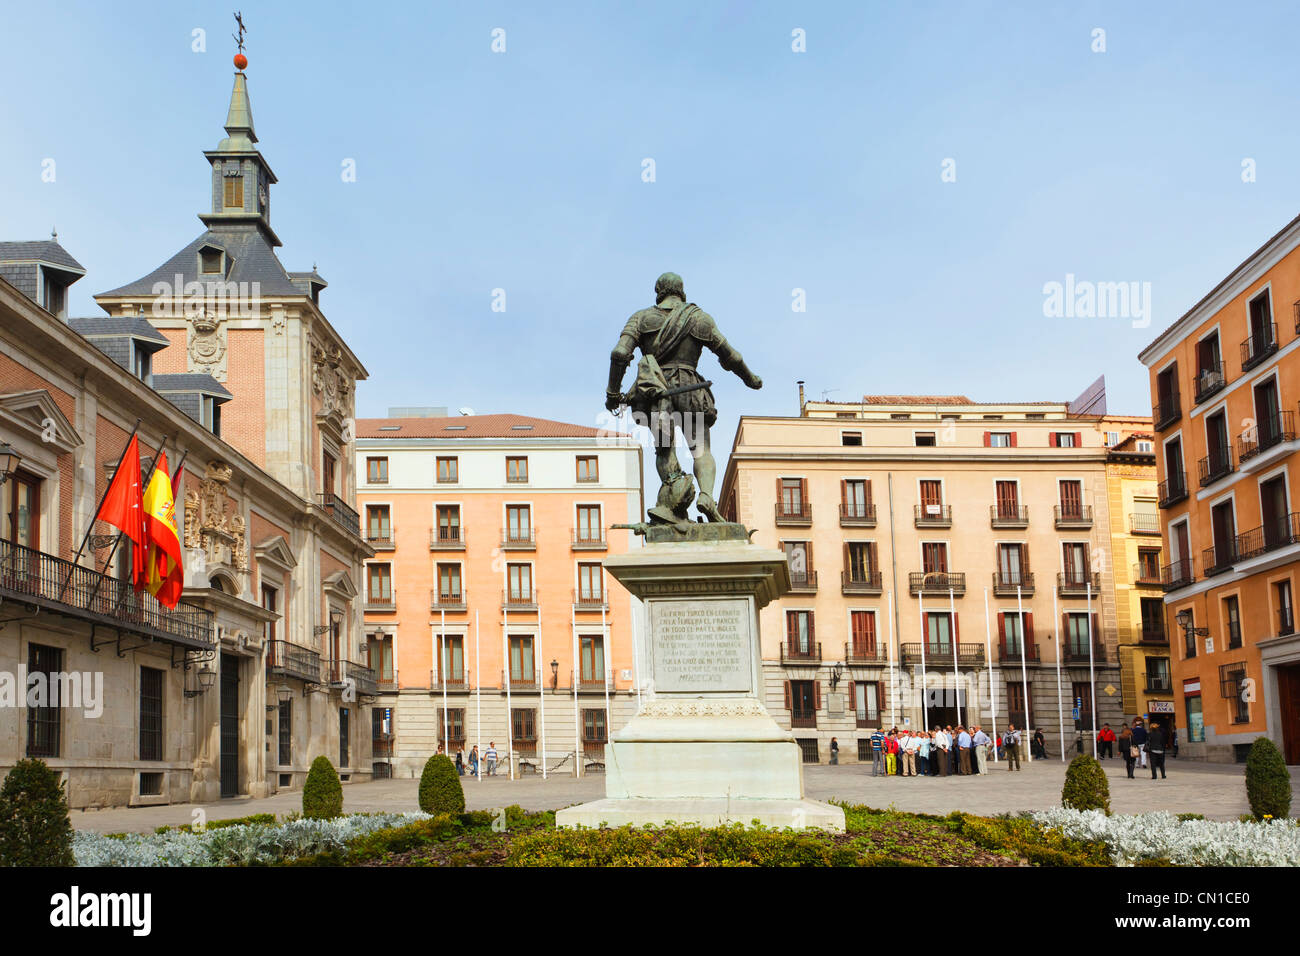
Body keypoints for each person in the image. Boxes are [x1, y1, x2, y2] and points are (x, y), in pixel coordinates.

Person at [605, 272, 763, 524]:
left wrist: (613, 393)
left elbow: (619, 353)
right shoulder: (699, 318)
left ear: (658, 291)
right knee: (701, 450)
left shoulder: (640, 318)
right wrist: (750, 378)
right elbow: (730, 356)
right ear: (682, 292)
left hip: (657, 392)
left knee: (664, 450)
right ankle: (706, 496)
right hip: (691, 389)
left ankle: (676, 502)